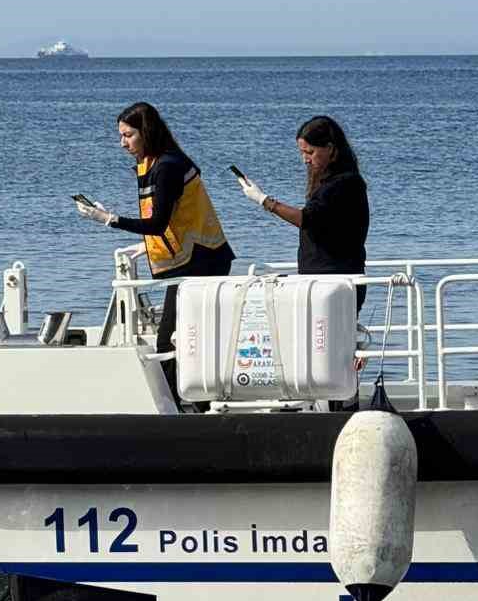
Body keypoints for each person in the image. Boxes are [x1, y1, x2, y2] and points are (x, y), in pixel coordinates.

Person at [74, 101, 235, 403]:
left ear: (146, 132)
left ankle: (182, 405)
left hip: (202, 260)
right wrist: (145, 245)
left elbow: (158, 222)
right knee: (183, 336)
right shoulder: (154, 163)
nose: (123, 143)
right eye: (120, 136)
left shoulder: (167, 167)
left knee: (171, 338)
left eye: (128, 135)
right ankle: (193, 402)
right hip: (192, 258)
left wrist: (109, 219)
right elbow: (169, 220)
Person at [234, 115, 370, 311]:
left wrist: (263, 200)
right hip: (319, 279)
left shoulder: (344, 184)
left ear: (331, 149)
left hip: (335, 280)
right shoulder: (328, 183)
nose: (305, 159)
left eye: (310, 152)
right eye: (302, 152)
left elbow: (307, 219)